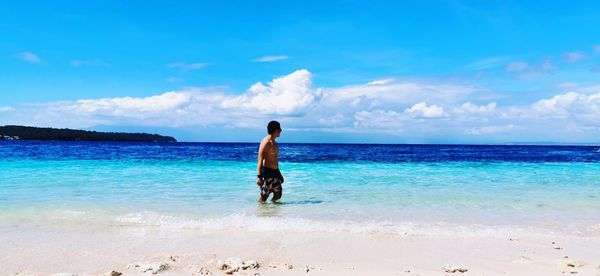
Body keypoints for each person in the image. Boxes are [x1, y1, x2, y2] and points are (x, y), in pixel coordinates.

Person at [256, 121, 284, 203]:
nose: (281, 131)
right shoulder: (266, 142)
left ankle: (271, 212)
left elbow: (275, 160)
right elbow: (260, 158)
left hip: (275, 172)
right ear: (276, 130)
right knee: (264, 196)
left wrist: (279, 173)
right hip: (267, 173)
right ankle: (261, 212)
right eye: (280, 129)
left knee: (278, 194)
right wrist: (259, 177)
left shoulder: (274, 143)